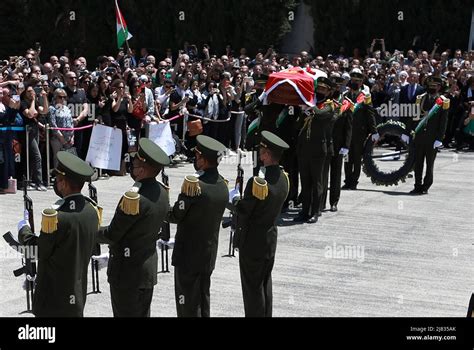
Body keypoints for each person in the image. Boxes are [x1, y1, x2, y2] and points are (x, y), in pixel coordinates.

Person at [18, 151, 100, 317]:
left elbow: (39, 251)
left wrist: (24, 230)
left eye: (57, 180)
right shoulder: (92, 210)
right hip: (76, 296)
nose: (56, 183)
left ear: (63, 183)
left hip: (53, 300)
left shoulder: (57, 217)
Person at [96, 138, 170, 317]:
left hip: (127, 274)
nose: (132, 168)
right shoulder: (162, 192)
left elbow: (113, 234)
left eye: (135, 165)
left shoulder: (133, 199)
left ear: (142, 169)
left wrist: (90, 231)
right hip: (146, 271)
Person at [170, 135, 229, 317]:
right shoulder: (222, 185)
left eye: (197, 157)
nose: (196, 160)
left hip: (188, 256)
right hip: (207, 255)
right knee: (203, 300)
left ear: (203, 160)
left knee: (187, 304)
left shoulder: (194, 185)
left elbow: (175, 215)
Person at [233, 131, 290, 317]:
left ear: (266, 154)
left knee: (253, 290)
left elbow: (244, 210)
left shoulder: (258, 182)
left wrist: (233, 199)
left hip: (253, 243)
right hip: (269, 240)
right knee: (265, 285)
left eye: (261, 150)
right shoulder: (283, 178)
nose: (259, 153)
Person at [294, 77, 337, 223]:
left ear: (329, 92)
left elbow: (320, 115)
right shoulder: (310, 105)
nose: (320, 91)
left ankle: (316, 211)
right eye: (318, 89)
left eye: (324, 89)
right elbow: (298, 125)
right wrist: (303, 111)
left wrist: (309, 107)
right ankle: (305, 211)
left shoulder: (330, 105)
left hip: (318, 149)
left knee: (317, 182)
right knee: (305, 182)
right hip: (304, 149)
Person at [410, 76, 449, 195]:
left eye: (435, 86)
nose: (432, 88)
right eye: (430, 86)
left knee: (429, 164)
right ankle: (417, 185)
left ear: (439, 87)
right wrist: (409, 131)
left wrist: (439, 138)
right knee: (418, 163)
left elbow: (443, 122)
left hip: (432, 139)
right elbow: (414, 117)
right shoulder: (420, 99)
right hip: (420, 137)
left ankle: (426, 186)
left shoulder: (443, 101)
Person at [321, 76, 353, 212]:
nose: (336, 89)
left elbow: (349, 127)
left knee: (335, 174)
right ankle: (321, 202)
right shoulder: (325, 102)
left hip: (339, 144)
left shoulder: (346, 103)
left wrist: (346, 145)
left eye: (339, 86)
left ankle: (334, 201)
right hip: (325, 142)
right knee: (323, 174)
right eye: (334, 86)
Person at [343, 69, 377, 190]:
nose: (354, 82)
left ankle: (354, 181)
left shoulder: (365, 97)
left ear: (361, 82)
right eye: (352, 80)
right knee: (346, 157)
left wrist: (374, 131)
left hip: (359, 132)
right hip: (346, 133)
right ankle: (347, 180)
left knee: (357, 158)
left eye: (357, 81)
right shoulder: (345, 96)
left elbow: (370, 114)